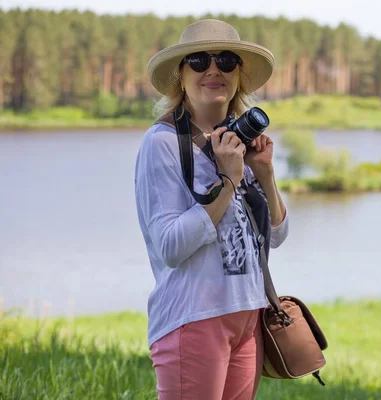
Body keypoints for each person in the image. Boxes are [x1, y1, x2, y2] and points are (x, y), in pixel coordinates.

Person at [134, 19, 289, 400]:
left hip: (247, 316)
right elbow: (170, 246)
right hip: (194, 318)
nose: (214, 70)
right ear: (181, 77)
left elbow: (278, 236)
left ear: (240, 75)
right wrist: (229, 180)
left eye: (226, 60)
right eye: (200, 61)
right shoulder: (163, 143)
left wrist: (264, 175)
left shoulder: (237, 142)